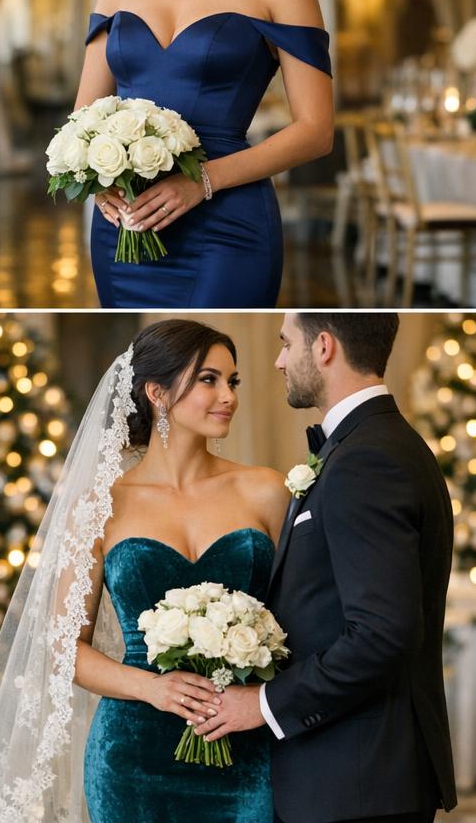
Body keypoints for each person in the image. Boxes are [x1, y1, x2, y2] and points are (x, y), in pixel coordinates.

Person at [0, 319, 290, 822]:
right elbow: (63, 645)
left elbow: (302, 612)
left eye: (233, 381)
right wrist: (152, 687)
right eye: (209, 379)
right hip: (132, 757)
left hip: (245, 746)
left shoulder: (265, 491)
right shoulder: (100, 506)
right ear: (157, 393)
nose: (228, 395)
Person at [195, 313, 457, 823]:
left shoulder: (368, 458)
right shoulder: (372, 444)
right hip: (357, 774)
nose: (278, 361)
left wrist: (264, 703)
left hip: (358, 779)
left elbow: (383, 633)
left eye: (285, 344)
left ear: (323, 347)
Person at [74, 0, 335, 307]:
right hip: (126, 229)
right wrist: (97, 183)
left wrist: (202, 182)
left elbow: (316, 130)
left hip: (229, 226)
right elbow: (82, 119)